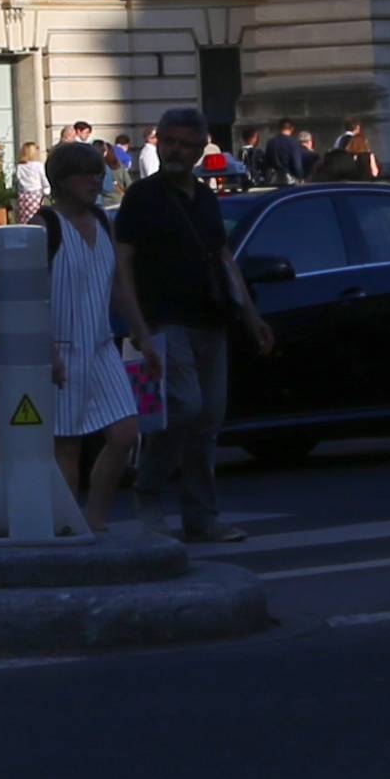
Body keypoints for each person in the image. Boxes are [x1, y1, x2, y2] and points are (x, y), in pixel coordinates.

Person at [117, 106, 269, 543]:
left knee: (208, 421)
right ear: (158, 142)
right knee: (185, 408)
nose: (176, 151)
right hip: (165, 320)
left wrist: (251, 316)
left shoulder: (204, 198)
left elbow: (223, 260)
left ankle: (201, 516)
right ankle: (148, 494)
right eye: (170, 142)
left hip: (210, 320)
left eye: (186, 144)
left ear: (202, 149)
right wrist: (140, 329)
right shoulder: (141, 197)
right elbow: (122, 265)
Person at [26, 137, 147, 529]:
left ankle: (94, 518)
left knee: (126, 433)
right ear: (61, 181)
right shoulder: (44, 225)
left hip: (99, 346)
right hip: (61, 345)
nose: (95, 182)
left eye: (97, 174)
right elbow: (30, 295)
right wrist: (48, 351)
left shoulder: (100, 220)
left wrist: (141, 333)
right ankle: (67, 525)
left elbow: (116, 286)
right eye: (84, 177)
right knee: (67, 444)